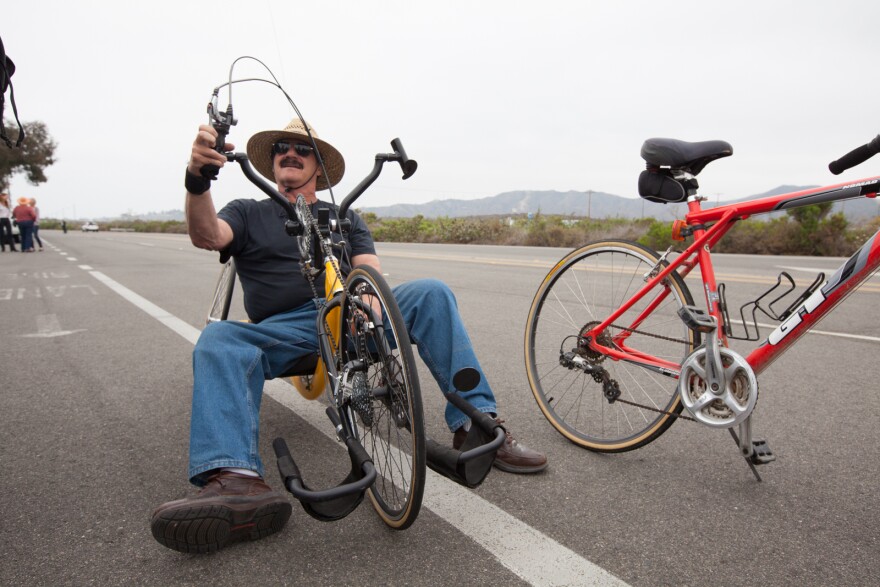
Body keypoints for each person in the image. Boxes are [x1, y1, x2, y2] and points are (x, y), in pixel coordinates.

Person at [151, 118, 548, 553]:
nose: (290, 152)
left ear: (317, 165)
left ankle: (477, 424)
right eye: (282, 146)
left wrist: (368, 309)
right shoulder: (248, 210)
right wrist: (197, 180)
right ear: (271, 161)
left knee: (431, 292)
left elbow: (370, 272)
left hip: (352, 311)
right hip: (287, 327)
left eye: (302, 148)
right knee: (219, 340)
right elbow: (207, 235)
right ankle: (237, 481)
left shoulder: (345, 216)